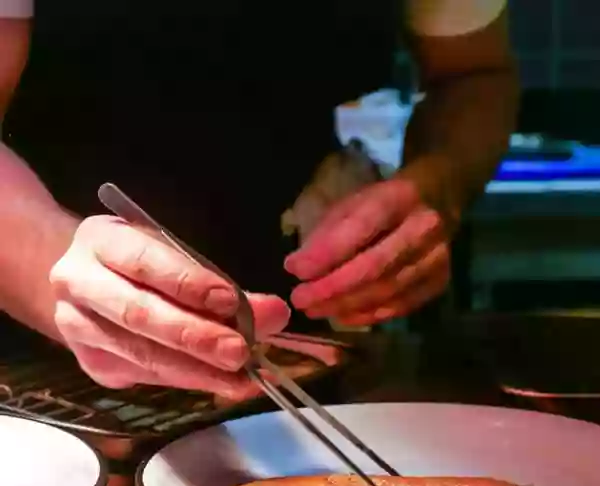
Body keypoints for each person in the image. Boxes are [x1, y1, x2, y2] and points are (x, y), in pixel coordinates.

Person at [0, 0, 518, 400]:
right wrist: (49, 263)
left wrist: (438, 186)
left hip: (296, 335)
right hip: (33, 354)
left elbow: (473, 74)